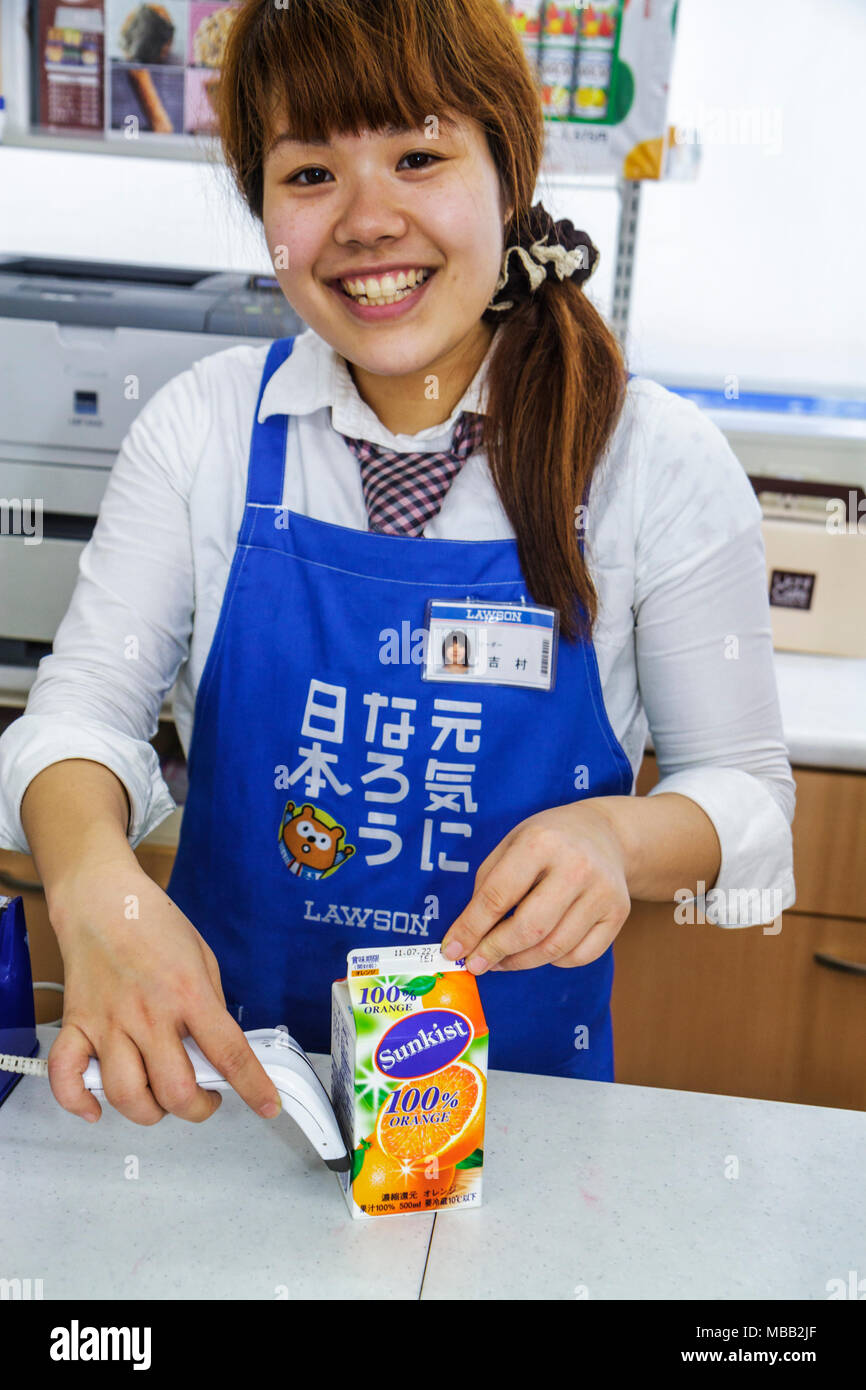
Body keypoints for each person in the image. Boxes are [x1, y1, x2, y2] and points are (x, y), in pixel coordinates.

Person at [0, 0, 795, 1129]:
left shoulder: (649, 459)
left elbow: (747, 804)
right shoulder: (208, 432)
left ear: (506, 171)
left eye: (418, 156)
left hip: (516, 1121)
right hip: (224, 1102)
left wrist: (614, 837)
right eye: (310, 173)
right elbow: (74, 723)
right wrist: (91, 883)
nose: (367, 220)